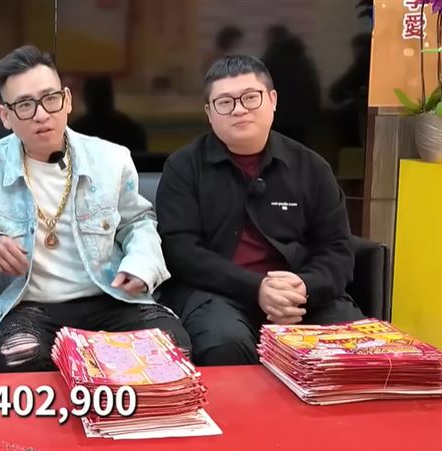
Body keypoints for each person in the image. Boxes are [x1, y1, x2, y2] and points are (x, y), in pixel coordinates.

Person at [0, 45, 190, 371]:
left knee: (171, 346)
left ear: (67, 100)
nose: (41, 114)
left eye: (50, 98)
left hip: (110, 298)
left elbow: (137, 221)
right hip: (30, 307)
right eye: (25, 105)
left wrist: (142, 264)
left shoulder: (111, 159)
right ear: (6, 116)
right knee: (18, 356)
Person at [156, 55, 364, 366]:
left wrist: (303, 287)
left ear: (272, 100)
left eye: (250, 97)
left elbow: (337, 249)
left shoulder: (311, 167)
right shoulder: (184, 167)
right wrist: (257, 289)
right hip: (217, 293)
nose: (239, 109)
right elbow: (181, 252)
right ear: (209, 113)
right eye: (224, 102)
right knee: (223, 342)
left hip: (300, 295)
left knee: (355, 346)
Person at [70, 76, 147, 152]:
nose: (97, 101)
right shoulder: (132, 131)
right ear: (110, 97)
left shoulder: (74, 132)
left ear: (86, 98)